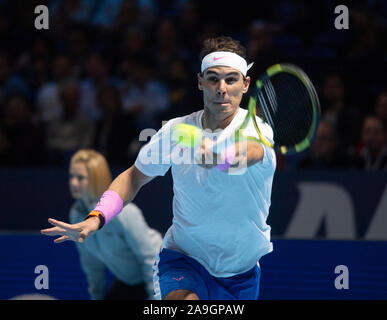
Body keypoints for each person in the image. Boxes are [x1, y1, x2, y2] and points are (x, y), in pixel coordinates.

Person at [41, 36, 276, 300]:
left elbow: (250, 152)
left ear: (245, 84)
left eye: (231, 79)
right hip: (184, 259)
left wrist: (221, 158)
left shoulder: (257, 129)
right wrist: (97, 216)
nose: (221, 88)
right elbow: (134, 177)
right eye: (213, 78)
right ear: (200, 81)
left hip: (240, 273)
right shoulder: (177, 131)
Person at [62, 149, 162, 300]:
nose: (73, 182)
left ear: (96, 179)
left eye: (80, 177)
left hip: (160, 276)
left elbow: (150, 258)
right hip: (128, 282)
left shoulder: (124, 213)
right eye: (72, 176)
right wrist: (97, 296)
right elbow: (91, 263)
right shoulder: (75, 214)